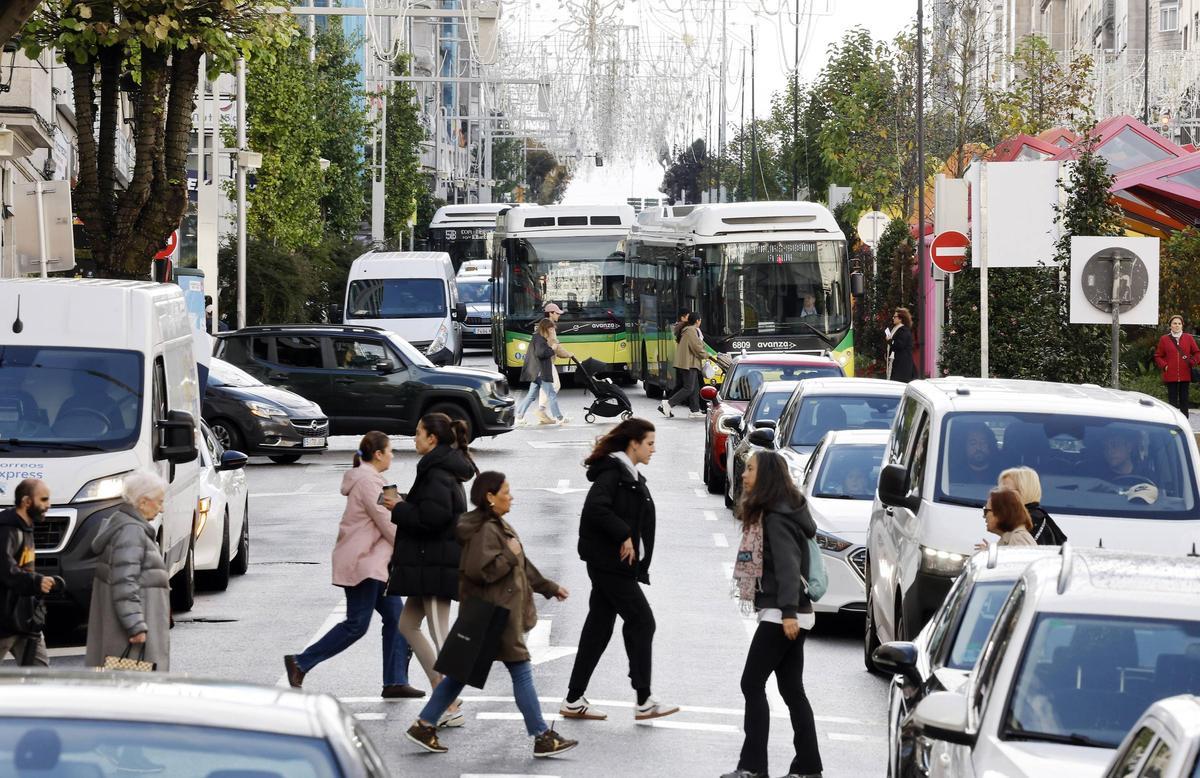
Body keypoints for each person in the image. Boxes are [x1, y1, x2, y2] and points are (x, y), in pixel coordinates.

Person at [405, 471, 578, 758]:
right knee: (521, 671)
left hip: (492, 613)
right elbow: (479, 571)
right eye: (506, 492)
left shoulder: (495, 524)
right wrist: (509, 554)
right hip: (496, 614)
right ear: (490, 497)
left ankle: (424, 725)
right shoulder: (486, 530)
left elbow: (521, 564)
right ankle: (541, 736)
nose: (511, 497)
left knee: (458, 675)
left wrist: (548, 587)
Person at [560, 418, 679, 722]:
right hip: (609, 564)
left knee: (598, 630)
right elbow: (595, 508)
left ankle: (573, 699)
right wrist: (624, 534)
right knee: (642, 621)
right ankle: (644, 699)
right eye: (649, 443)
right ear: (633, 444)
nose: (653, 449)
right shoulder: (614, 472)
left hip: (612, 564)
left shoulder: (627, 473)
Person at [285, 432, 421, 698]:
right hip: (364, 562)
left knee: (398, 619)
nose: (392, 456)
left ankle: (395, 681)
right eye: (390, 451)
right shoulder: (368, 481)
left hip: (375, 562)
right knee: (357, 624)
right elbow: (388, 521)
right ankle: (300, 662)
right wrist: (414, 547)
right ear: (378, 454)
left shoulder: (373, 480)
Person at [723, 451, 822, 778]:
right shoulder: (780, 511)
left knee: (751, 684)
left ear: (766, 476)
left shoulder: (777, 518)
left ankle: (753, 767)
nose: (743, 474)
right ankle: (808, 768)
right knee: (792, 690)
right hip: (790, 612)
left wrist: (788, 612)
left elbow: (788, 566)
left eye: (750, 469)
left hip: (783, 613)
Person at [383, 412, 477, 727]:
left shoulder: (437, 471)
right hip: (429, 563)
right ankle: (442, 689)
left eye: (418, 433)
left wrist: (399, 507)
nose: (414, 439)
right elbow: (431, 508)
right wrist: (403, 502)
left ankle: (449, 703)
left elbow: (433, 519)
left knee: (440, 634)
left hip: (436, 563)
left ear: (432, 438)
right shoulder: (439, 467)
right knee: (407, 624)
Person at [85, 471, 171, 671]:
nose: (162, 509)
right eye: (159, 502)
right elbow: (125, 583)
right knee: (136, 680)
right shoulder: (131, 532)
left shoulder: (125, 527)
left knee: (125, 679)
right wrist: (136, 626)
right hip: (132, 636)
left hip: (127, 631)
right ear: (143, 502)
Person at [0, 479, 56, 667]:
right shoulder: (7, 529)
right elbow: (5, 569)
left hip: (25, 620)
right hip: (4, 622)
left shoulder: (26, 527)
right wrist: (36, 582)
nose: (48, 505)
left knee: (40, 677)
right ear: (26, 502)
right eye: (44, 499)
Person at [515, 318, 572, 426]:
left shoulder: (538, 337)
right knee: (551, 394)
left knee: (531, 396)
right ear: (546, 328)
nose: (552, 331)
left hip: (536, 372)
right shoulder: (540, 339)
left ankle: (519, 416)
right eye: (551, 329)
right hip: (541, 372)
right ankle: (559, 418)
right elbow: (541, 353)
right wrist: (553, 348)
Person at [998, 467, 1066, 546]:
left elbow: (1020, 552)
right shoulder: (1032, 517)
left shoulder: (1029, 522)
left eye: (1006, 491)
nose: (999, 496)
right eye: (999, 491)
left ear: (1024, 491)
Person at [661, 313, 706, 419]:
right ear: (697, 321)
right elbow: (696, 347)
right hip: (688, 363)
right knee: (688, 388)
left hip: (691, 362)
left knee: (695, 387)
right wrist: (706, 355)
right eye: (700, 320)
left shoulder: (689, 330)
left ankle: (695, 410)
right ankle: (668, 404)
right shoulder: (691, 330)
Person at [1154, 315, 1200, 415]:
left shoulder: (1188, 338)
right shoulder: (1164, 339)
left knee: (1184, 401)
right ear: (1170, 325)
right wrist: (1165, 366)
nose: (1177, 325)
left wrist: (1193, 361)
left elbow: (1197, 353)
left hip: (1185, 374)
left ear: (1182, 325)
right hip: (1171, 375)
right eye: (1174, 323)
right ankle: (1174, 421)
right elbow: (1158, 356)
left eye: (1179, 323)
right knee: (1172, 401)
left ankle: (1184, 421)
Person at [886, 308, 916, 383]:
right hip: (898, 364)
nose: (893, 318)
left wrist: (890, 340)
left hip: (901, 366)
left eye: (895, 317)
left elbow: (899, 345)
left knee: (898, 384)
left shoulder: (903, 330)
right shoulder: (898, 329)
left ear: (900, 319)